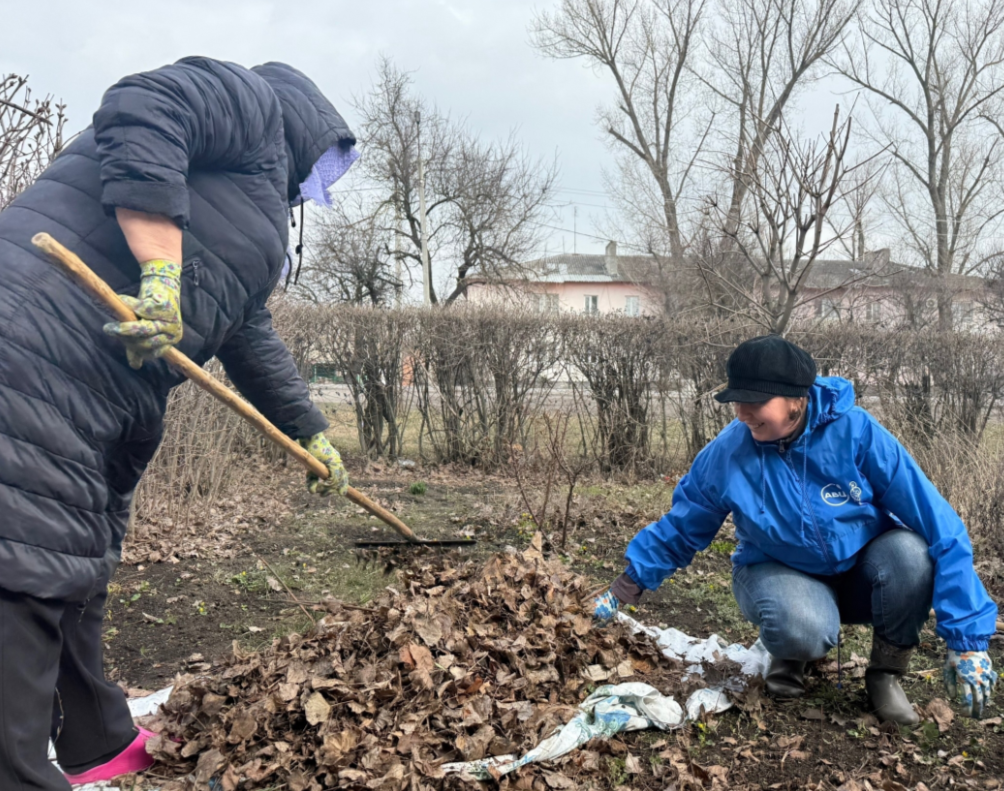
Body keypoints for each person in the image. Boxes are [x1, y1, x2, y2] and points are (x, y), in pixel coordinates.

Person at [0, 57, 355, 789]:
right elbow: (142, 103)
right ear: (306, 125)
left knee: (78, 557)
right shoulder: (253, 108)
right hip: (33, 337)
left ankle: (96, 734)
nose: (320, 181)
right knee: (25, 558)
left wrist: (310, 430)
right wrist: (158, 265)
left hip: (96, 387)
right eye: (323, 160)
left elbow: (245, 329)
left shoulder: (255, 208)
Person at [593, 335, 998, 726]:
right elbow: (682, 527)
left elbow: (939, 522)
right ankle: (792, 652)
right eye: (737, 402)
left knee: (912, 553)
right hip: (777, 568)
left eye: (756, 402)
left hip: (860, 569)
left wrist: (967, 638)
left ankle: (885, 675)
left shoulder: (857, 433)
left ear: (796, 399)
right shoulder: (728, 454)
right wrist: (625, 587)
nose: (743, 414)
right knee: (803, 628)